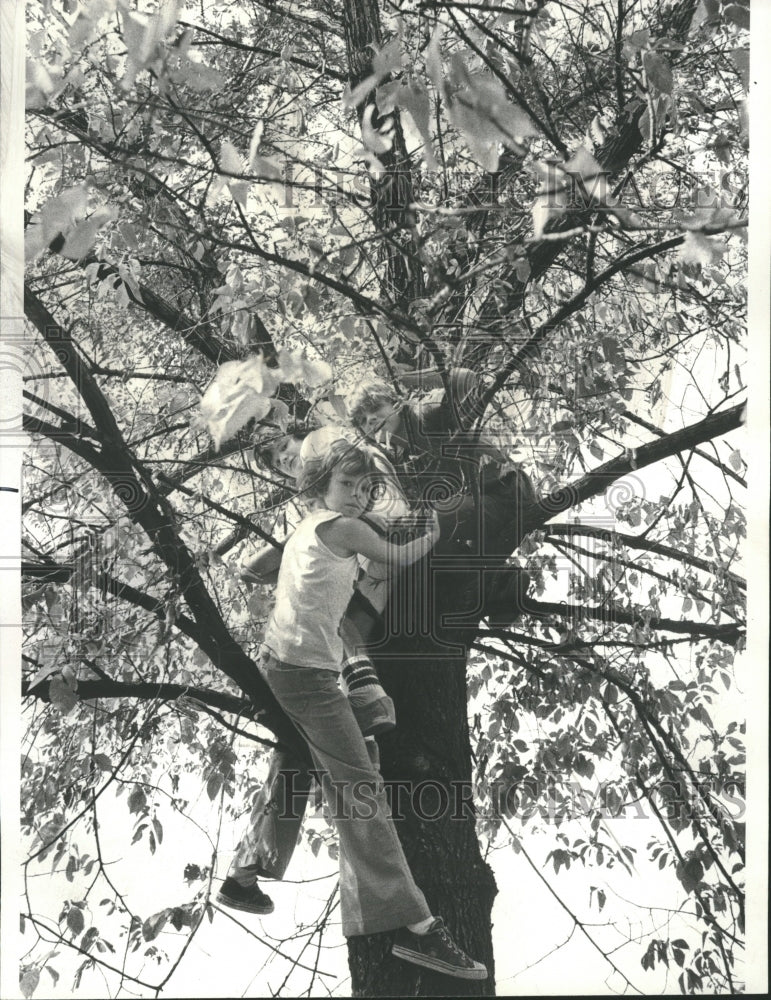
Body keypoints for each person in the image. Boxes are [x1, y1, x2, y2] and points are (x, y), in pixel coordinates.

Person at [235, 438, 488, 978]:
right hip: (307, 677)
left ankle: (245, 872)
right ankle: (416, 925)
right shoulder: (344, 526)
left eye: (362, 487)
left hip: (286, 666)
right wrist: (432, 535)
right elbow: (392, 555)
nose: (355, 496)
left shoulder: (306, 527)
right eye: (345, 485)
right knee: (359, 786)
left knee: (302, 762)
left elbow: (269, 569)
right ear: (321, 486)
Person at [217, 427, 411, 916]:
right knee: (300, 753)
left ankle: (243, 873)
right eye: (280, 466)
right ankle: (246, 870)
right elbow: (289, 554)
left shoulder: (347, 472)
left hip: (364, 593)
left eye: (289, 454)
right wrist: (244, 569)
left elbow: (382, 506)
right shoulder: (313, 513)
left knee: (298, 752)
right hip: (319, 645)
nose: (288, 465)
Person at [347, 371, 536, 623]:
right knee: (425, 545)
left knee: (427, 522)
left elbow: (468, 381)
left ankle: (496, 581)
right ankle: (500, 584)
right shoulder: (401, 462)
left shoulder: (425, 412)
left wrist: (403, 379)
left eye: (374, 408)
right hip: (476, 512)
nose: (370, 419)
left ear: (395, 403)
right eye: (362, 420)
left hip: (506, 491)